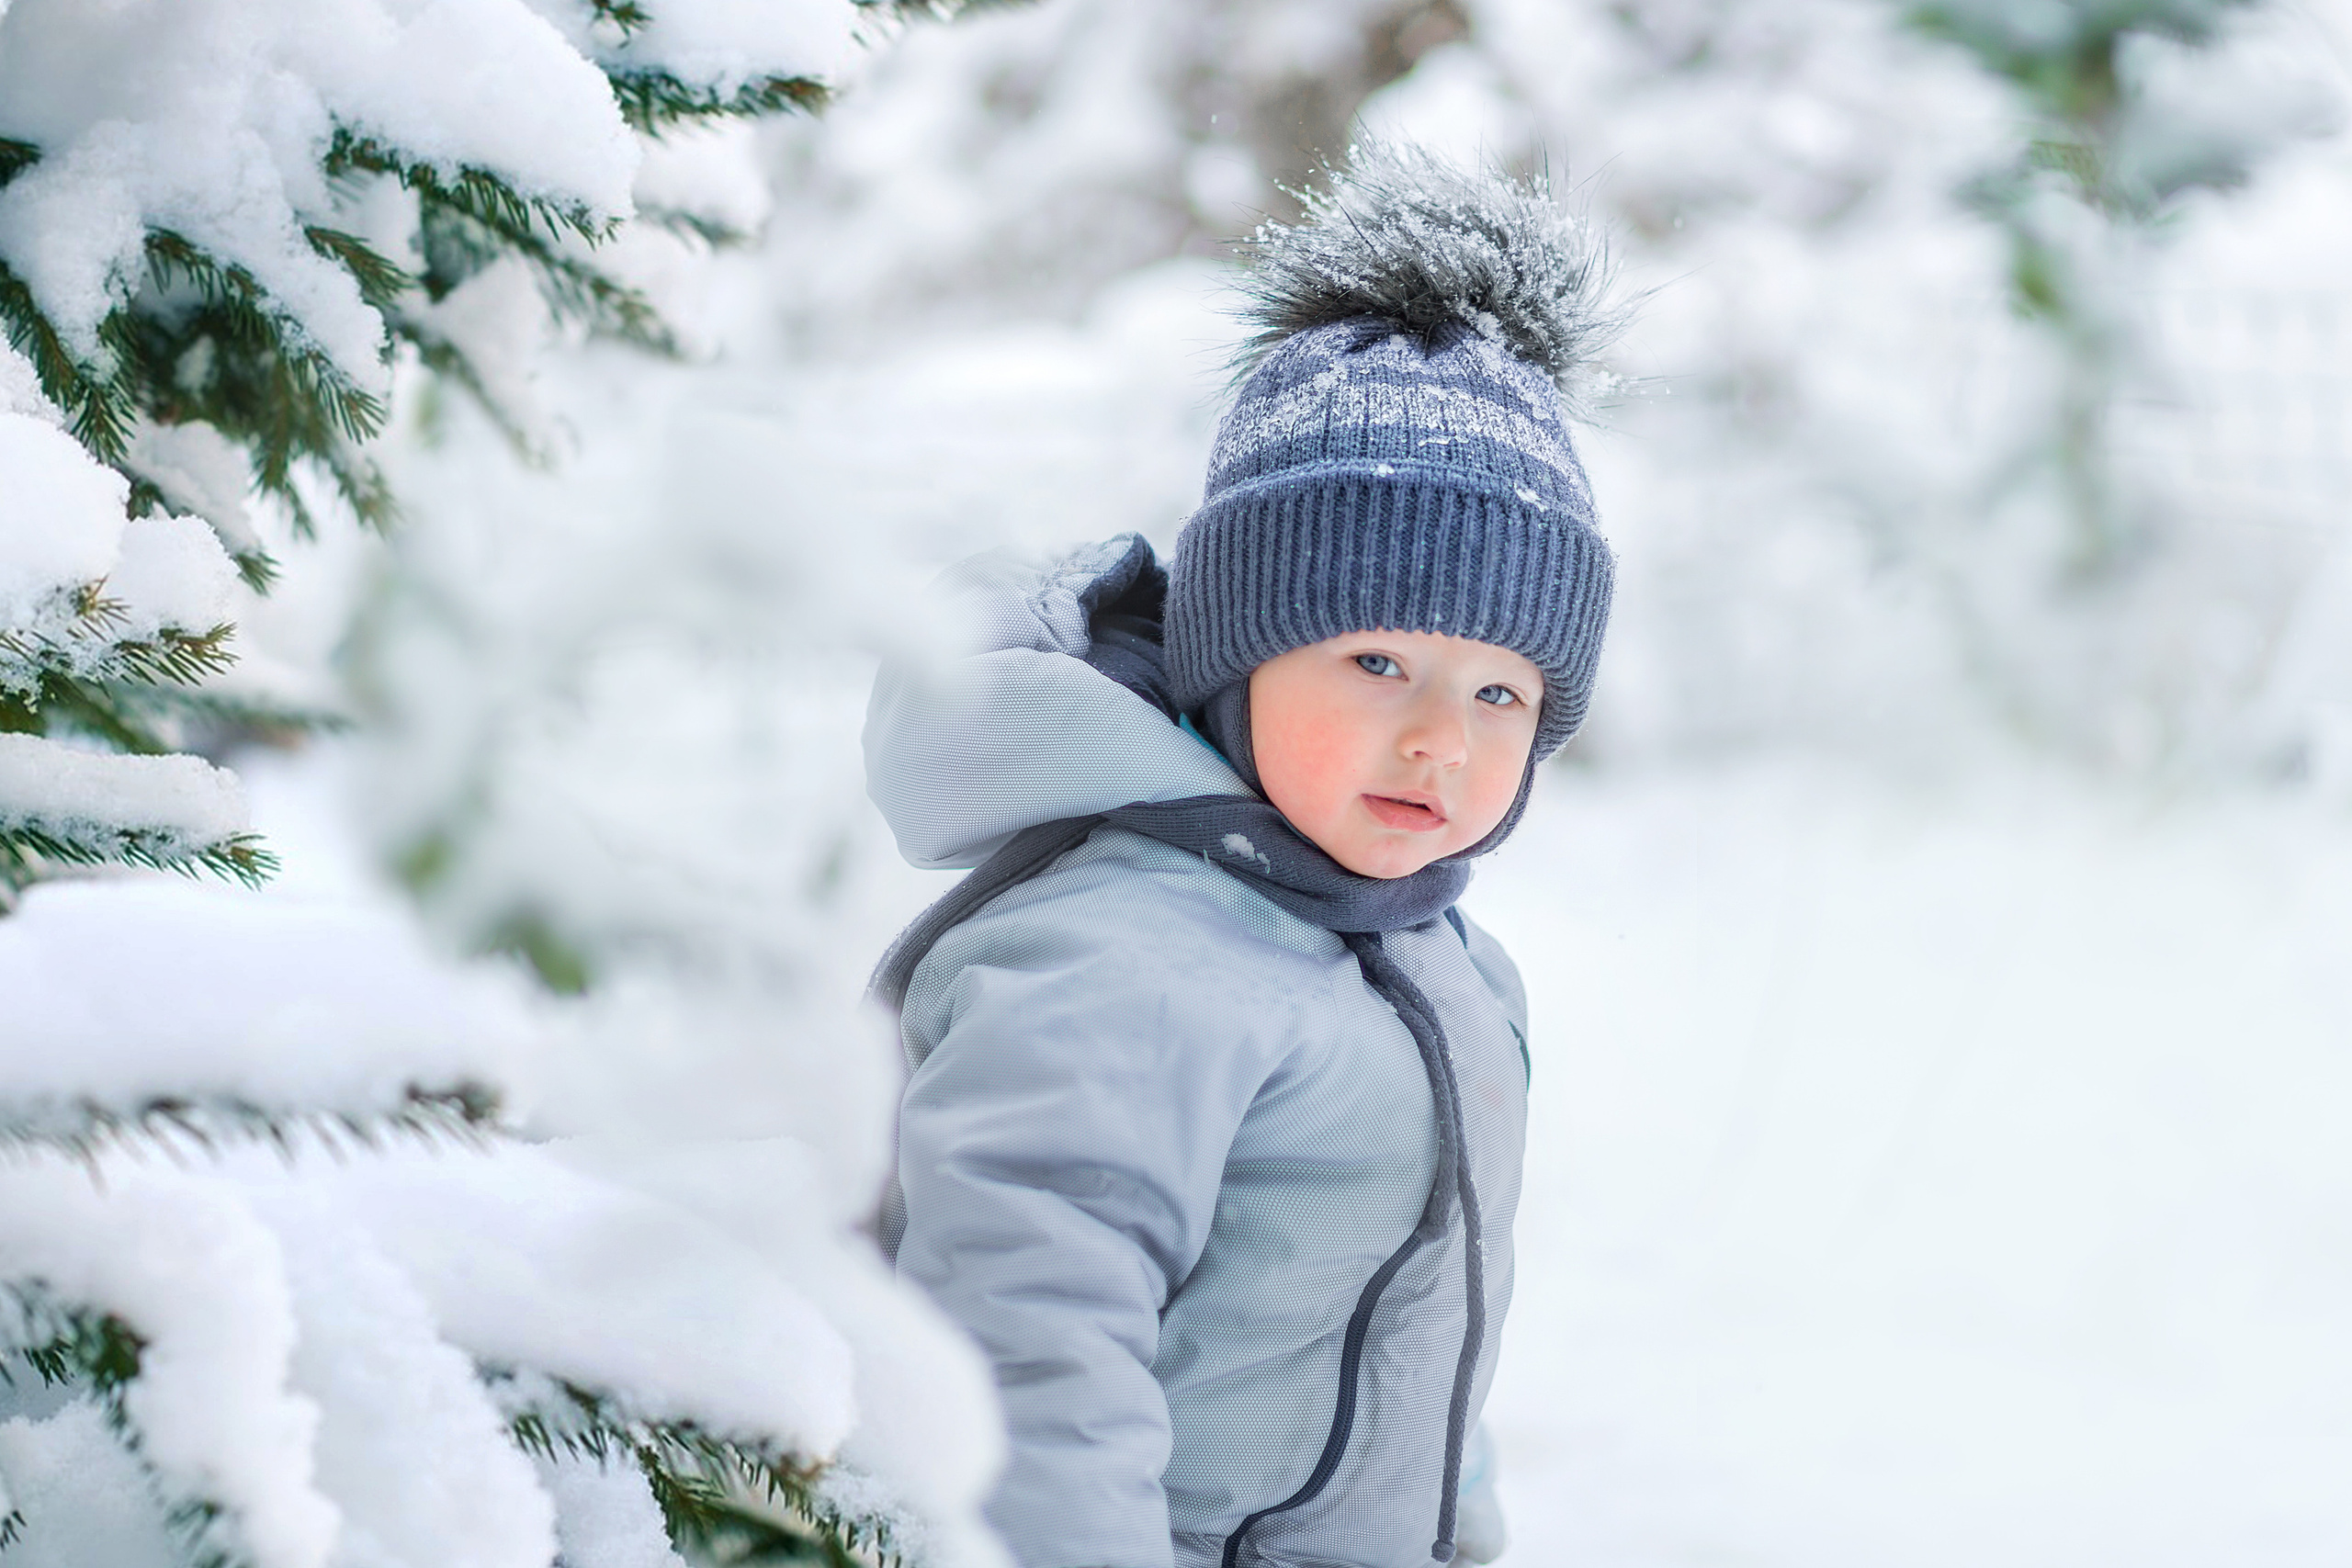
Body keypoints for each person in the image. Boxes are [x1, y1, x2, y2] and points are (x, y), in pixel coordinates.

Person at [865, 141, 1625, 1568]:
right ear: (1238, 655)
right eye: (1378, 661)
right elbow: (1025, 1364)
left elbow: (1424, 1355)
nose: (1439, 740)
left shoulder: (1441, 969)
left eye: (1500, 692)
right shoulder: (1118, 958)